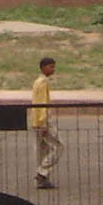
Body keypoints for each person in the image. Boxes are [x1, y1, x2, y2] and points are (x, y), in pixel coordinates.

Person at [31, 56, 60, 190]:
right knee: (59, 147)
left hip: (36, 120)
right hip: (43, 120)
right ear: (43, 68)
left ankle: (42, 179)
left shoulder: (38, 81)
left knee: (43, 150)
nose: (53, 69)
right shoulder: (42, 83)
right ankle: (42, 172)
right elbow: (41, 103)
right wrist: (42, 122)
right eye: (50, 67)